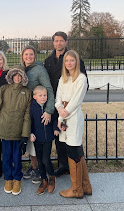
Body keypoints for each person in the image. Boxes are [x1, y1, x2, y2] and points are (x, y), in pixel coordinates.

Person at [44, 31, 88, 177]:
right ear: (53, 42)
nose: (58, 43)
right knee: (59, 136)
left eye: (61, 41)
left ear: (66, 41)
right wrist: (57, 105)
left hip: (70, 105)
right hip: (57, 102)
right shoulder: (49, 60)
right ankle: (63, 164)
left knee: (73, 140)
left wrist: (67, 108)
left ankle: (75, 167)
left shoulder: (73, 58)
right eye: (56, 41)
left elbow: (83, 84)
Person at [55, 50, 92, 198]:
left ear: (76, 61)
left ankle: (76, 189)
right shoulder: (63, 78)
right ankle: (86, 186)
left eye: (72, 60)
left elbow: (76, 100)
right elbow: (58, 97)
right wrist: (60, 112)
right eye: (66, 61)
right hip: (63, 115)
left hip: (73, 117)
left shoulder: (81, 78)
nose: (69, 63)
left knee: (74, 149)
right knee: (76, 150)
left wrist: (65, 112)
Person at [0, 66, 32, 195]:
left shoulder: (27, 92)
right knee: (7, 156)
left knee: (17, 156)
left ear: (23, 77)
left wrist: (25, 135)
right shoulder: (4, 89)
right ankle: (8, 178)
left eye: (20, 75)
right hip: (4, 128)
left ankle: (17, 178)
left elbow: (27, 115)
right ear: (11, 77)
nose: (17, 78)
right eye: (15, 75)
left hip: (19, 129)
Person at [21, 45, 54, 184]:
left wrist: (49, 110)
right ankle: (34, 167)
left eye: (31, 54)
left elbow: (49, 89)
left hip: (38, 110)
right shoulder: (21, 69)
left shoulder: (39, 69)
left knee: (38, 142)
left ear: (35, 56)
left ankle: (41, 170)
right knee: (30, 140)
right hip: (27, 110)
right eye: (26, 54)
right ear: (22, 56)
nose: (28, 57)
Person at [30, 86, 55, 195]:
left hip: (48, 137)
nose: (43, 97)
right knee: (40, 160)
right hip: (37, 138)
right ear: (35, 97)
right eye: (40, 95)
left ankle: (51, 177)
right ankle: (43, 180)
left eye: (45, 95)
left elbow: (54, 119)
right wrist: (30, 133)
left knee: (46, 159)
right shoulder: (32, 108)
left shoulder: (49, 107)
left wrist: (56, 129)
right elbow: (29, 122)